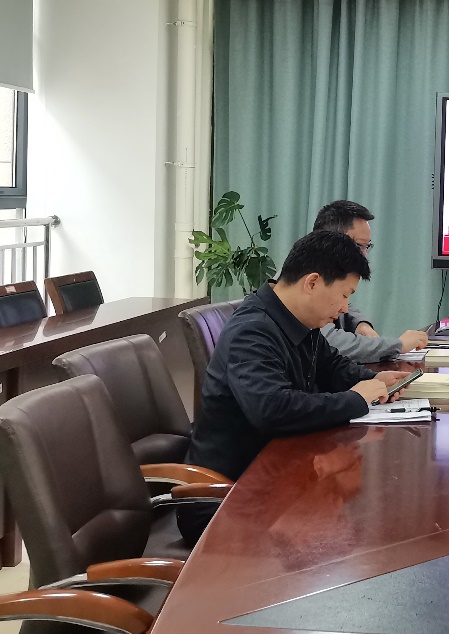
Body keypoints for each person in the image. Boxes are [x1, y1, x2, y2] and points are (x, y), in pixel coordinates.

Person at [177, 231, 412, 545]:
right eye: (344, 295)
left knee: (351, 524)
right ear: (312, 282)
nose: (345, 308)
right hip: (227, 497)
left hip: (275, 479)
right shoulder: (252, 331)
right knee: (342, 540)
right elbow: (273, 409)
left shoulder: (299, 321)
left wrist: (372, 381)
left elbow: (332, 366)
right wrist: (356, 399)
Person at [312, 200, 428, 362]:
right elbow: (327, 342)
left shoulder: (325, 274)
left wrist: (360, 324)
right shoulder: (309, 279)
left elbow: (342, 305)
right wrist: (397, 345)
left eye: (367, 247)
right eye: (360, 246)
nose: (364, 255)